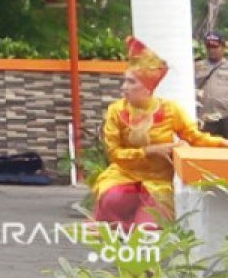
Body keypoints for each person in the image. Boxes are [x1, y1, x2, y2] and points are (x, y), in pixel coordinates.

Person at [92, 37, 228, 227]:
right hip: (123, 176)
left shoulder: (170, 110)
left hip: (157, 182)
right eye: (125, 81)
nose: (124, 88)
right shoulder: (116, 110)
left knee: (148, 227)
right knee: (112, 199)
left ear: (147, 87)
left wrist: (223, 143)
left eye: (131, 82)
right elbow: (114, 153)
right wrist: (150, 151)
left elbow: (195, 138)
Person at [195, 32, 228, 137]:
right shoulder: (197, 66)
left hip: (224, 116)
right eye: (209, 47)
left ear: (223, 47)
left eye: (215, 46)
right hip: (205, 118)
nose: (211, 50)